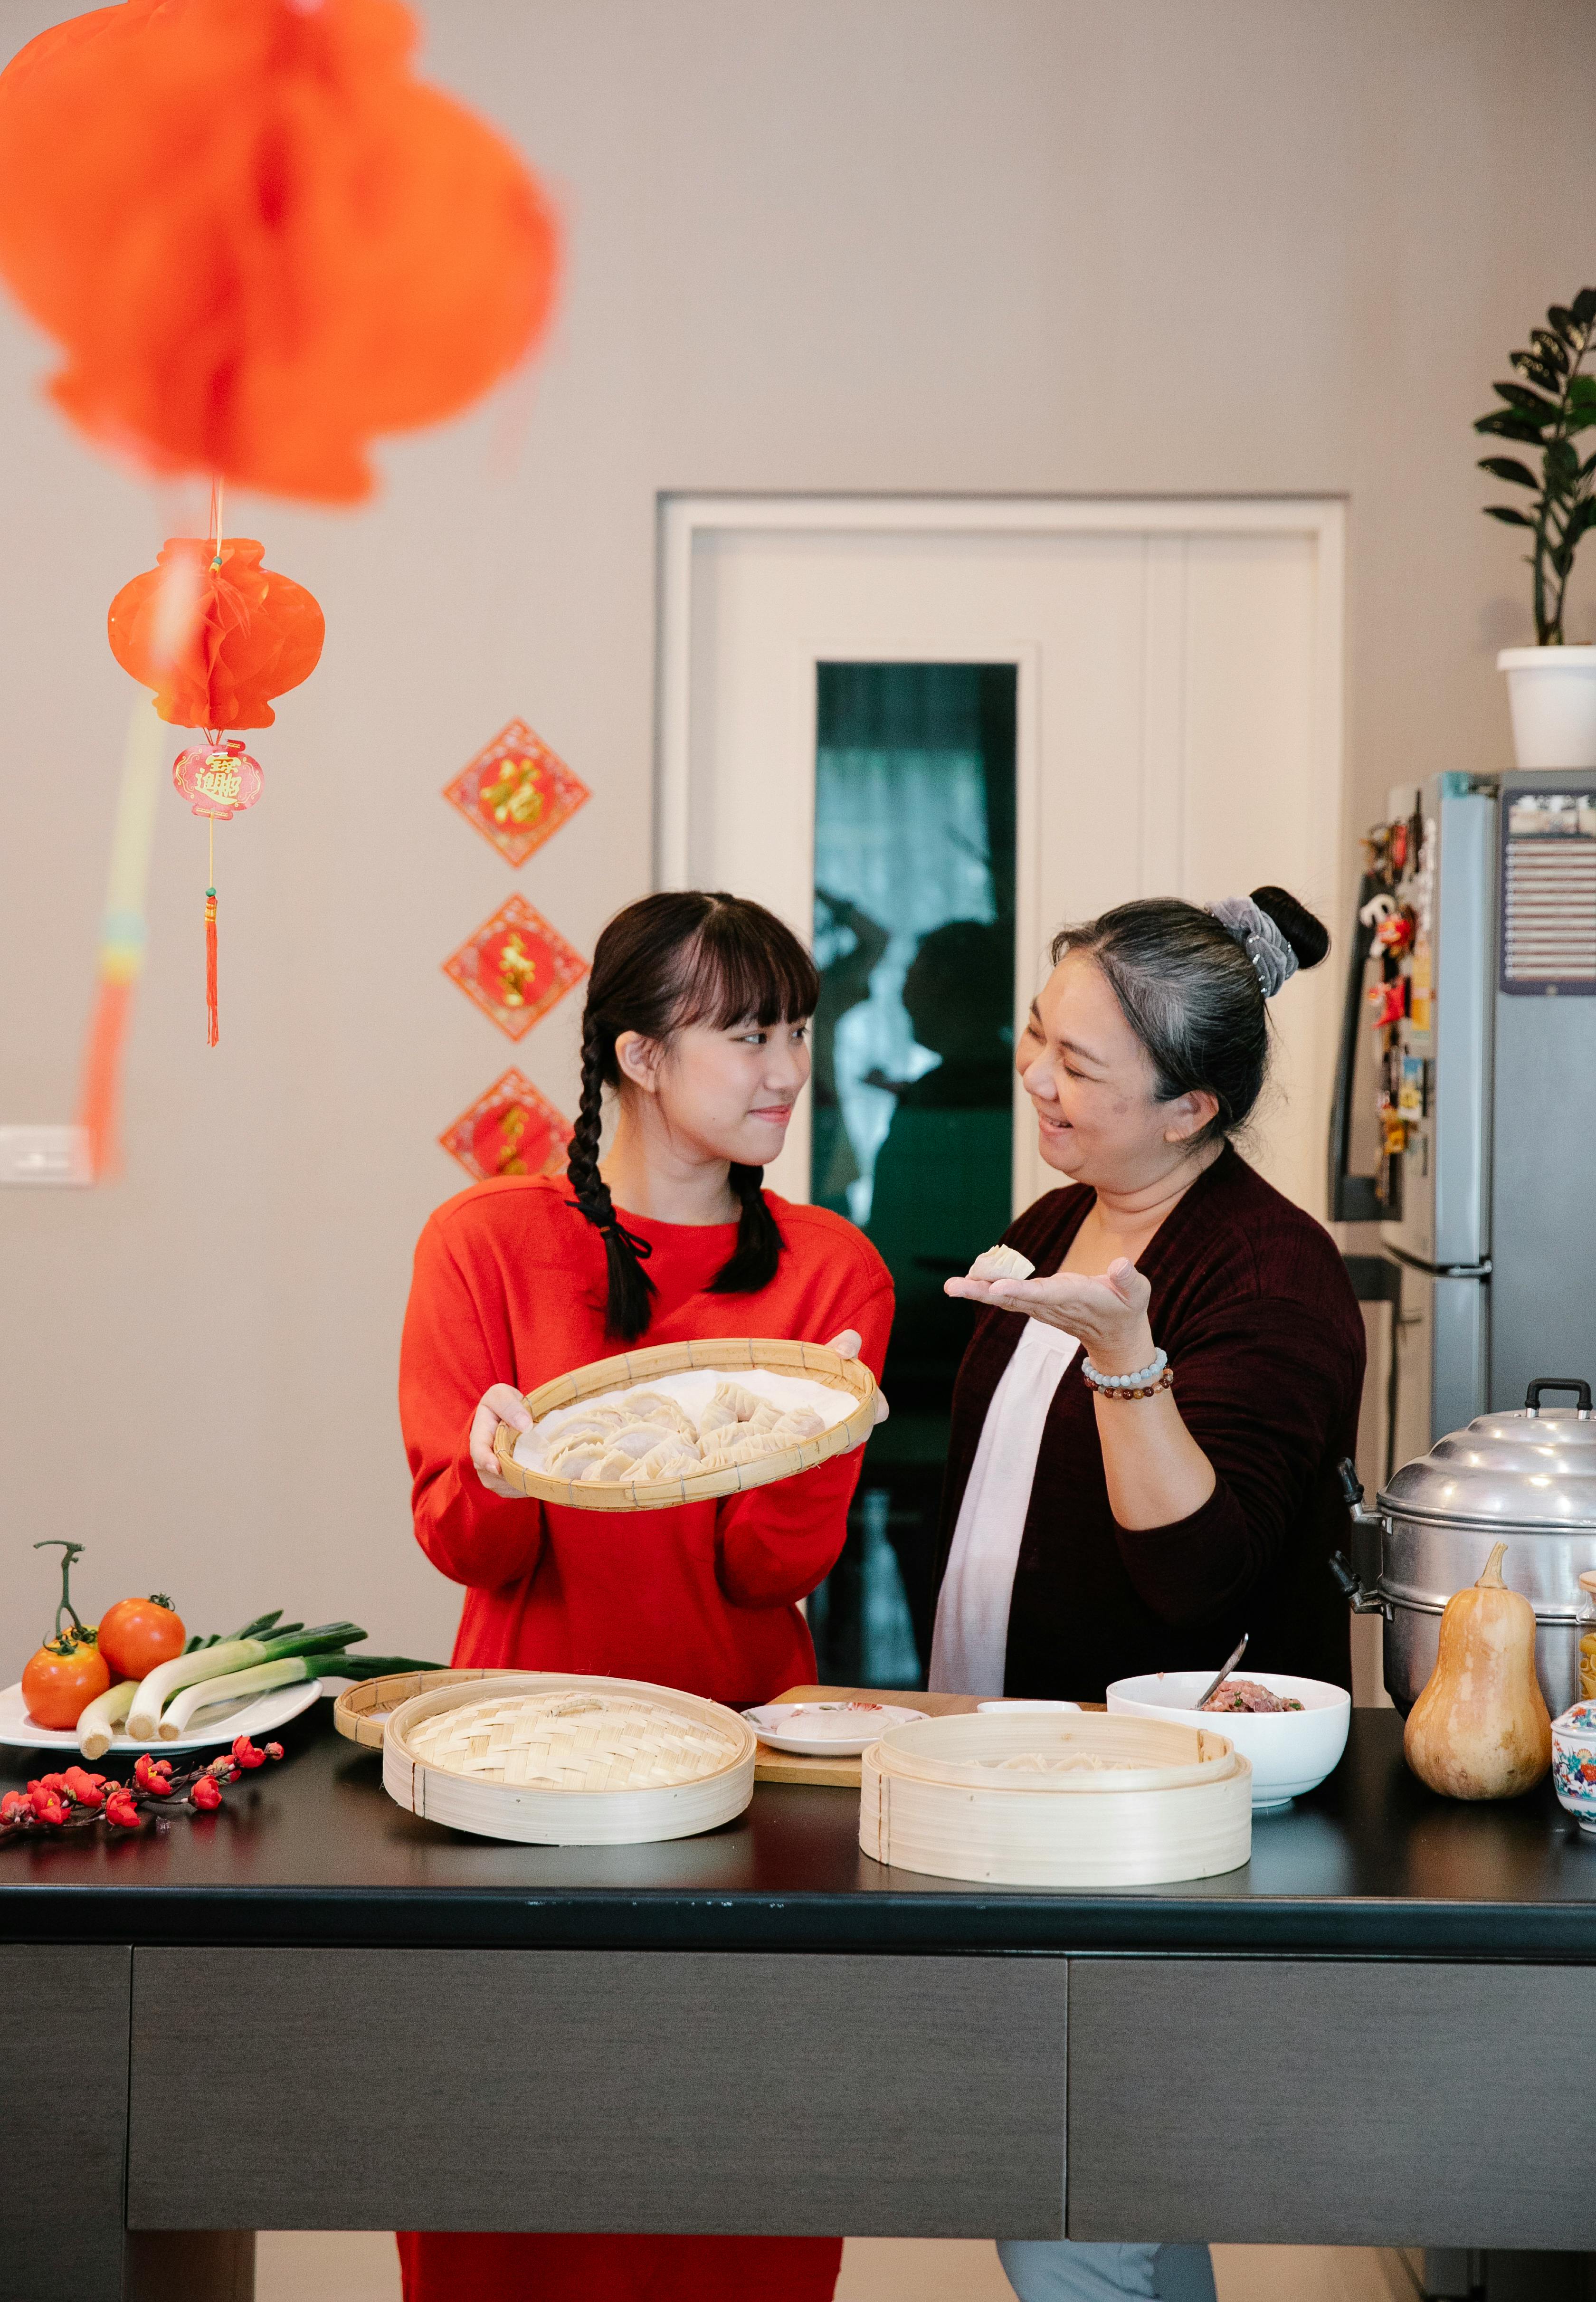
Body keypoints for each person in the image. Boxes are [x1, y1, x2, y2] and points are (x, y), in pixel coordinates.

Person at [398, 889, 892, 2302]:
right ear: (637, 1055)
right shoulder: (481, 1244)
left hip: (745, 1768)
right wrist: (501, 1467)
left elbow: (770, 1571)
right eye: (746, 1033)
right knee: (507, 2140)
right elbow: (472, 1549)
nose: (787, 1068)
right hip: (517, 1763)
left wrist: (824, 1437)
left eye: (797, 1028)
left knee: (739, 2147)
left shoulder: (830, 1268)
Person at [931, 887, 1365, 2302]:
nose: (1037, 1080)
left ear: (1190, 1109)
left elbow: (1198, 1571)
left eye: (1079, 1065)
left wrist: (1129, 1353)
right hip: (1030, 1782)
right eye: (1038, 1038)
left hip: (1148, 1817)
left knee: (1070, 2204)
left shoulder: (1273, 1271)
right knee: (1112, 2197)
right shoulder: (1063, 1212)